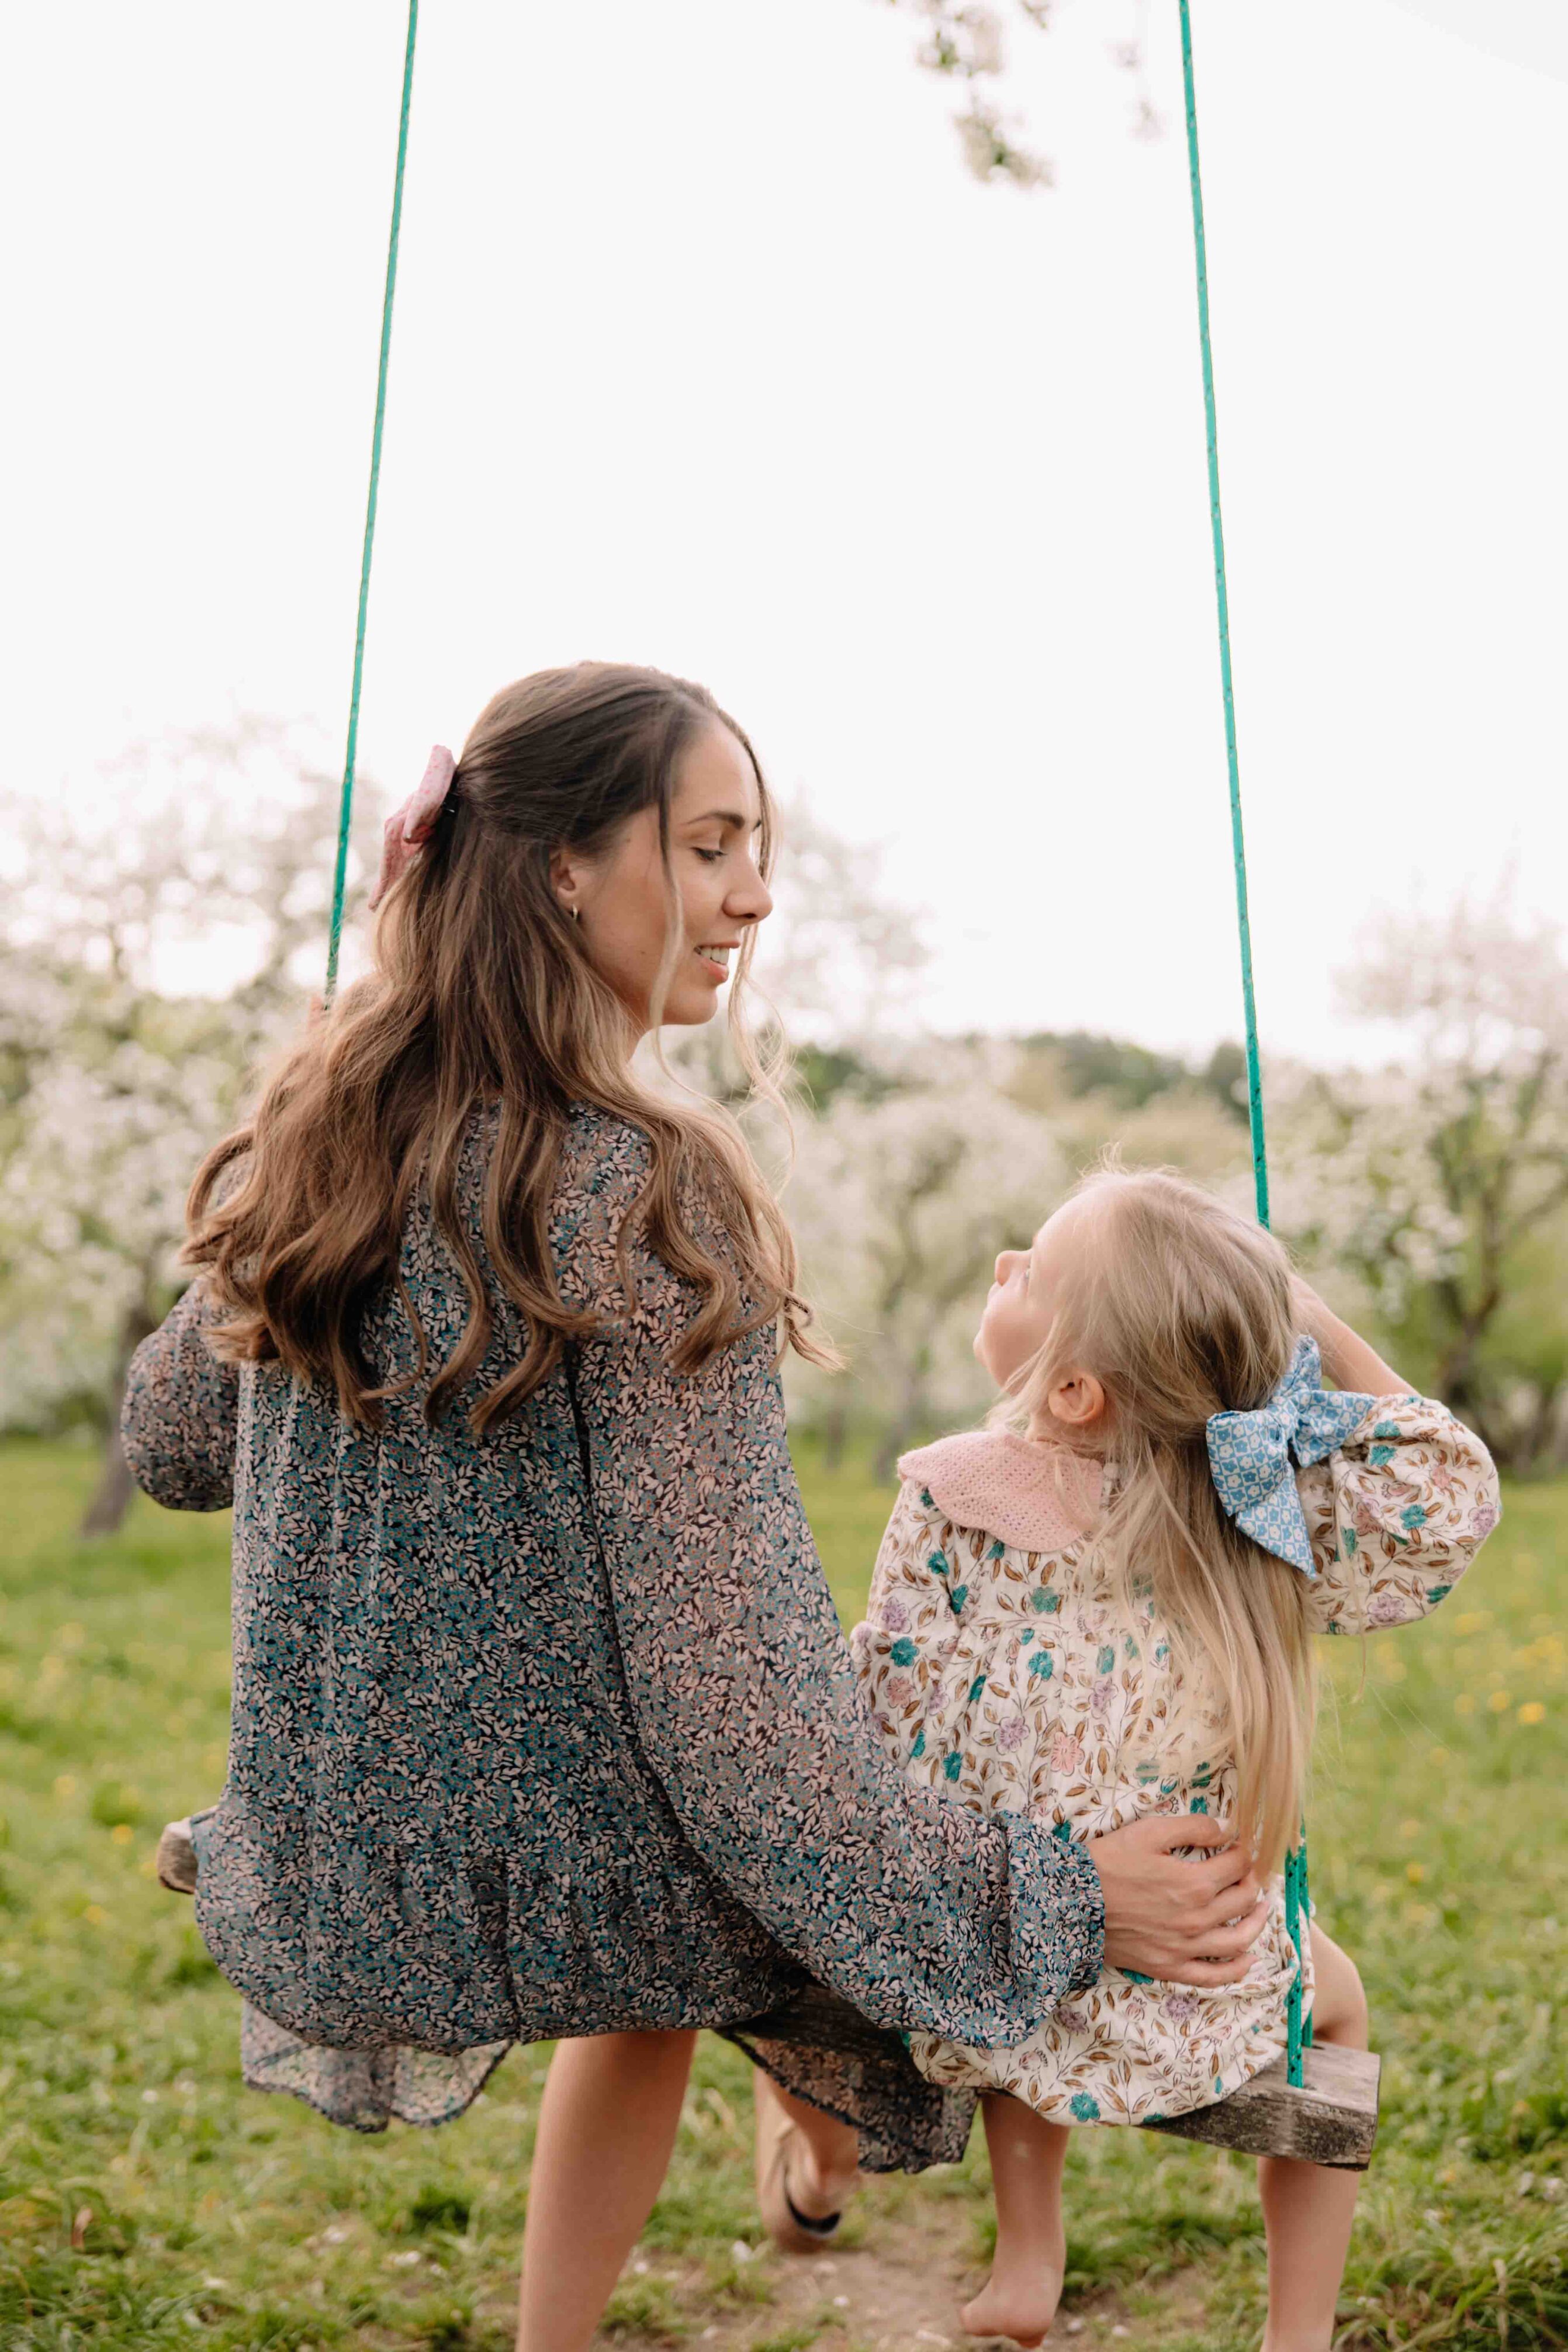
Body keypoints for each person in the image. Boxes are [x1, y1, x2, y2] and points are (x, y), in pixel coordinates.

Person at [121, 664, 1271, 2352]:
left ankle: (736, 2201)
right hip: (566, 1851)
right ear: (566, 868)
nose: (757, 890)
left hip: (363, 1848)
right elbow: (732, 1706)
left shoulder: (326, 1142)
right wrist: (1065, 1889)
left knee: (708, 1917)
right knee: (802, 1885)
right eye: (715, 842)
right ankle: (813, 2126)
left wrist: (323, 1106)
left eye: (762, 844)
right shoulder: (644, 1198)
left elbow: (170, 1442)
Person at [851, 1167, 1501, 2352]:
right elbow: (1448, 1479)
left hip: (1002, 1985)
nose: (1005, 1263)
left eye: (1031, 1270)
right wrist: (1286, 1297)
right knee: (1339, 2015)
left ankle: (1028, 2250)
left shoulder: (953, 1491)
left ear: (1074, 1387)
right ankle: (1297, 2328)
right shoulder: (1250, 1511)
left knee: (1034, 1920)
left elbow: (888, 1708)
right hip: (1210, 1983)